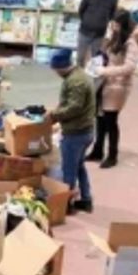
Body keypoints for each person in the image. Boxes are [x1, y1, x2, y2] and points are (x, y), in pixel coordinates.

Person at [87, 10, 138, 169]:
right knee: (100, 118)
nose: (112, 26)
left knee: (111, 121)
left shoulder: (132, 43)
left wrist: (106, 71)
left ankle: (112, 155)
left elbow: (129, 67)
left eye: (116, 24)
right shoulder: (115, 37)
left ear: (123, 25)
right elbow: (108, 55)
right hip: (105, 83)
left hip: (118, 86)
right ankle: (97, 150)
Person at [47, 49, 95, 213]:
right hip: (85, 130)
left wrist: (53, 116)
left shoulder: (75, 82)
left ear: (61, 67)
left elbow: (74, 107)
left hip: (76, 133)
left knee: (68, 171)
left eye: (56, 70)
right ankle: (86, 199)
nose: (55, 73)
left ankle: (66, 204)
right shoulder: (78, 75)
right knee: (79, 166)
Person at [76, 0, 118, 65]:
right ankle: (79, 73)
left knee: (96, 59)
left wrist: (104, 23)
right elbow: (81, 10)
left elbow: (112, 15)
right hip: (84, 31)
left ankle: (94, 74)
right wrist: (86, 21)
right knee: (80, 57)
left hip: (99, 35)